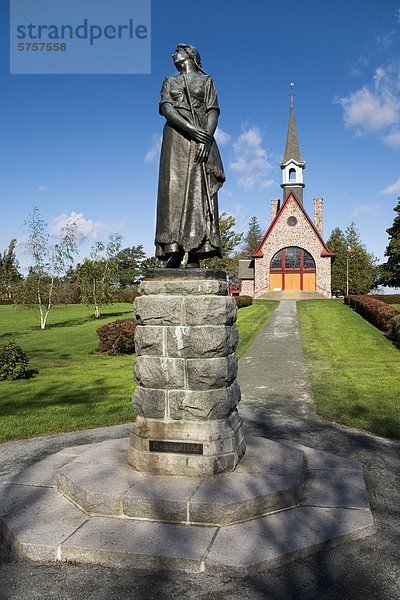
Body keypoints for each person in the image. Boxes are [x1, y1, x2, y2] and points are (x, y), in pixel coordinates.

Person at [155, 43, 225, 268]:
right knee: (171, 192)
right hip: (175, 139)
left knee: (199, 192)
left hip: (200, 140)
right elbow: (166, 108)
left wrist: (205, 137)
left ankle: (196, 252)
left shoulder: (207, 81)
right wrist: (191, 129)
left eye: (178, 51)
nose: (172, 54)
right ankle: (173, 250)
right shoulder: (169, 81)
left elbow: (212, 110)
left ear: (190, 55)